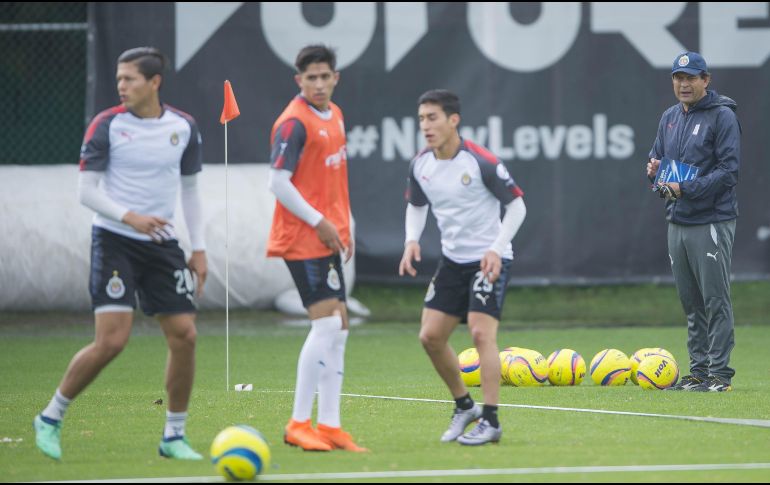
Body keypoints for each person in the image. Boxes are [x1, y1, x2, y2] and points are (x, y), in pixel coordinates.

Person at [34, 47, 207, 460]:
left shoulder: (183, 127)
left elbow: (190, 190)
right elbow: (86, 191)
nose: (121, 86)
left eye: (130, 79)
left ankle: (174, 437)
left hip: (162, 244)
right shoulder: (107, 125)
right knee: (112, 341)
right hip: (114, 240)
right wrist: (131, 218)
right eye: (118, 79)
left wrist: (198, 248)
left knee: (185, 336)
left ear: (154, 82)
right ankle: (51, 417)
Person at [398, 89, 527, 445]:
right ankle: (464, 405)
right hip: (453, 262)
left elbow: (517, 207)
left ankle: (491, 420)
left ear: (453, 120)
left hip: (489, 259)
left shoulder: (480, 161)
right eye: (422, 118)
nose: (425, 125)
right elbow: (417, 204)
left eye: (433, 117)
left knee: (481, 334)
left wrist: (497, 249)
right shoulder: (421, 164)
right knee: (430, 337)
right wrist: (412, 240)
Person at [267, 44, 366, 452]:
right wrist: (321, 222)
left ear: (336, 78)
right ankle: (297, 423)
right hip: (302, 238)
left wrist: (342, 224)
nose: (320, 84)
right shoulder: (293, 124)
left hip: (327, 235)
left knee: (339, 330)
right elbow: (278, 183)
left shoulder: (337, 114)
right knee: (325, 326)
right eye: (312, 78)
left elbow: (331, 183)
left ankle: (329, 425)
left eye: (326, 76)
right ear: (299, 81)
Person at [647, 51, 740, 392]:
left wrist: (683, 187)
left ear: (706, 80)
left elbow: (729, 173)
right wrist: (654, 171)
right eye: (678, 78)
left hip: (711, 220)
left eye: (691, 78)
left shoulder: (722, 116)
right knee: (691, 302)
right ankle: (699, 371)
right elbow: (657, 158)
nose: (684, 84)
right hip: (678, 219)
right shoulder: (670, 116)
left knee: (715, 298)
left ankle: (719, 373)